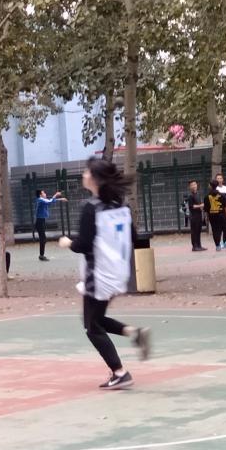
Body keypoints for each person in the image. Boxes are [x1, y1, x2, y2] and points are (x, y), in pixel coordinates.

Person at [58, 158, 151, 389]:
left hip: (98, 275)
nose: (83, 174)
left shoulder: (92, 208)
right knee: (96, 319)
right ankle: (134, 333)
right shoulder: (122, 207)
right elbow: (133, 237)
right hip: (118, 273)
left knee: (91, 327)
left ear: (95, 178)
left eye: (86, 171)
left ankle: (120, 372)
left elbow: (83, 245)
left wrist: (67, 242)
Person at [34, 189, 66, 261]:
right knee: (43, 239)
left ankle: (41, 255)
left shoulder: (41, 200)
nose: (45, 194)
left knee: (43, 239)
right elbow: (49, 201)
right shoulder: (40, 200)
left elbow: (50, 201)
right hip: (39, 222)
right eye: (44, 193)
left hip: (41, 221)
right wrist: (56, 195)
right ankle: (41, 256)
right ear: (40, 195)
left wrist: (60, 199)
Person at [204, 180, 226, 251]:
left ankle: (217, 246)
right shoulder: (222, 195)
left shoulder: (207, 197)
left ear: (210, 186)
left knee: (215, 230)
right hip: (222, 215)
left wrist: (207, 217)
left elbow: (206, 209)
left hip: (212, 216)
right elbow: (225, 206)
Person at [186, 180, 206, 251]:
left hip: (199, 215)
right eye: (192, 185)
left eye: (195, 184)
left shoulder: (198, 194)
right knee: (194, 231)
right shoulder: (190, 196)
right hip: (193, 216)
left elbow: (199, 204)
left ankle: (199, 245)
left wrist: (201, 207)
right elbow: (191, 206)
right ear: (189, 187)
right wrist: (200, 205)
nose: (194, 186)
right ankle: (194, 246)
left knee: (198, 231)